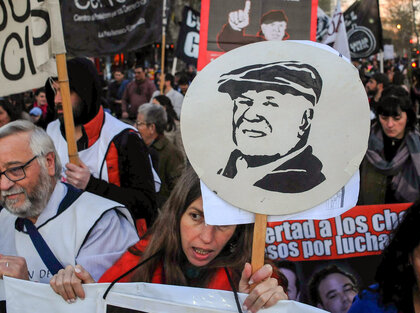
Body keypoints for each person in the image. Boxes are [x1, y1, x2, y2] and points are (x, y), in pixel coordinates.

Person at [49, 167, 288, 313]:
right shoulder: (143, 256)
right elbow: (103, 300)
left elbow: (270, 295)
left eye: (223, 223)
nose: (206, 238)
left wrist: (267, 305)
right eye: (196, 216)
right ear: (177, 214)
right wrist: (84, 293)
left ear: (238, 229)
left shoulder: (257, 275)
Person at [0, 121, 138, 283]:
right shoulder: (4, 219)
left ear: (49, 162)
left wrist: (24, 288)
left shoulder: (101, 223)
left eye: (16, 170)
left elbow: (105, 304)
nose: (4, 185)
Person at [45, 57, 159, 231]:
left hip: (116, 245)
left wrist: (91, 185)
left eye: (66, 92)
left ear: (85, 92)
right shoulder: (51, 131)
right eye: (55, 91)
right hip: (65, 238)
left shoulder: (124, 139)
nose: (57, 100)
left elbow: (146, 205)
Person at [217, 61, 325, 193]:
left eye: (269, 104)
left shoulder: (312, 188)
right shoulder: (221, 172)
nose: (250, 115)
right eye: (244, 102)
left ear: (304, 120)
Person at [358, 86, 420, 204]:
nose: (390, 124)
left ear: (408, 116)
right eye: (384, 118)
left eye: (397, 118)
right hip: (373, 216)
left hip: (412, 214)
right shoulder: (365, 139)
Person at [136, 103, 184, 198]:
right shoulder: (139, 148)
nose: (136, 128)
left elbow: (177, 192)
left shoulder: (171, 153)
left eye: (139, 124)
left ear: (152, 128)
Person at [217, 0, 289, 52]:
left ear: (285, 28)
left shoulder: (292, 46)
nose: (276, 29)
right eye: (272, 25)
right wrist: (235, 28)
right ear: (263, 28)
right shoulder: (252, 44)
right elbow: (228, 45)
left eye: (281, 25)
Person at [152, 95, 186, 162]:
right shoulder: (150, 124)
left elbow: (180, 150)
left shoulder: (176, 126)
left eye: (155, 105)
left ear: (164, 107)